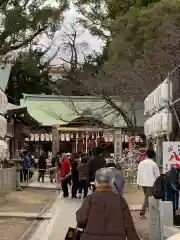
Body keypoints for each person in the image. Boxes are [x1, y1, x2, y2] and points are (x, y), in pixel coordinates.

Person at [76, 168, 140, 240]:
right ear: (112, 181)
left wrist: (79, 213)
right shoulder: (120, 201)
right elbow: (129, 227)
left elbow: (81, 222)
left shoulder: (89, 199)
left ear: (96, 182)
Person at [137, 149, 160, 219]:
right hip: (151, 183)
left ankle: (151, 212)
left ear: (146, 155)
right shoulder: (154, 164)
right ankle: (142, 212)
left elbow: (139, 173)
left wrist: (138, 182)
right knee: (148, 198)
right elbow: (158, 175)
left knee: (147, 197)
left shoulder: (141, 163)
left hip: (143, 183)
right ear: (153, 155)